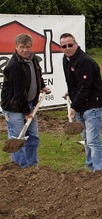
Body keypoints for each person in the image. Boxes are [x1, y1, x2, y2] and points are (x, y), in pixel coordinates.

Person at [1, 33, 51, 168]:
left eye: (28, 47)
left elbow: (37, 73)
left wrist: (42, 86)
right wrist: (26, 112)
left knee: (33, 137)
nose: (25, 50)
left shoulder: (33, 58)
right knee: (18, 139)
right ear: (16, 47)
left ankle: (33, 167)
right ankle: (20, 169)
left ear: (31, 47)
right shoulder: (14, 66)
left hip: (28, 105)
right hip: (14, 107)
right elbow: (18, 92)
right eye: (22, 47)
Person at [60, 33, 102, 172]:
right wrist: (71, 93)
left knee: (93, 140)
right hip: (80, 105)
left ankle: (98, 170)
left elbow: (86, 86)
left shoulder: (84, 61)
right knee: (86, 138)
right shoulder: (66, 60)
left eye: (70, 45)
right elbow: (73, 81)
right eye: (64, 46)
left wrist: (73, 106)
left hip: (92, 105)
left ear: (76, 44)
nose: (67, 48)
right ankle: (90, 165)